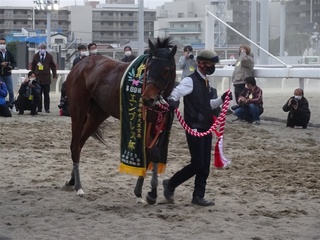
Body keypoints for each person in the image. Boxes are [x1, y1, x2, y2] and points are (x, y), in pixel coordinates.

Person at [163, 49, 231, 207]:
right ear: (201, 64)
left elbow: (208, 105)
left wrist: (221, 99)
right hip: (194, 127)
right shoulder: (190, 81)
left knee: (204, 165)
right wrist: (173, 101)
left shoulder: (206, 82)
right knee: (197, 163)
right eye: (210, 64)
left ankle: (198, 196)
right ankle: (171, 183)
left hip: (206, 126)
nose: (211, 67)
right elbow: (175, 93)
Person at [31, 42, 57, 113]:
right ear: (39, 48)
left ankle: (47, 108)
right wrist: (32, 74)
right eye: (41, 48)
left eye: (44, 48)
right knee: (38, 94)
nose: (42, 49)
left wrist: (54, 74)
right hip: (38, 78)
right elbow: (33, 66)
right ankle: (39, 108)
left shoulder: (49, 56)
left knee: (46, 94)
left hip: (46, 78)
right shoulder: (36, 56)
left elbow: (53, 66)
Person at [0, 37, 17, 110]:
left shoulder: (9, 53)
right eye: (1, 43)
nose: (2, 45)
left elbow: (14, 62)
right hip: (0, 74)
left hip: (7, 74)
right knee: (1, 91)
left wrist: (11, 67)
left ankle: (11, 105)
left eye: (3, 43)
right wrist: (1, 64)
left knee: (10, 90)